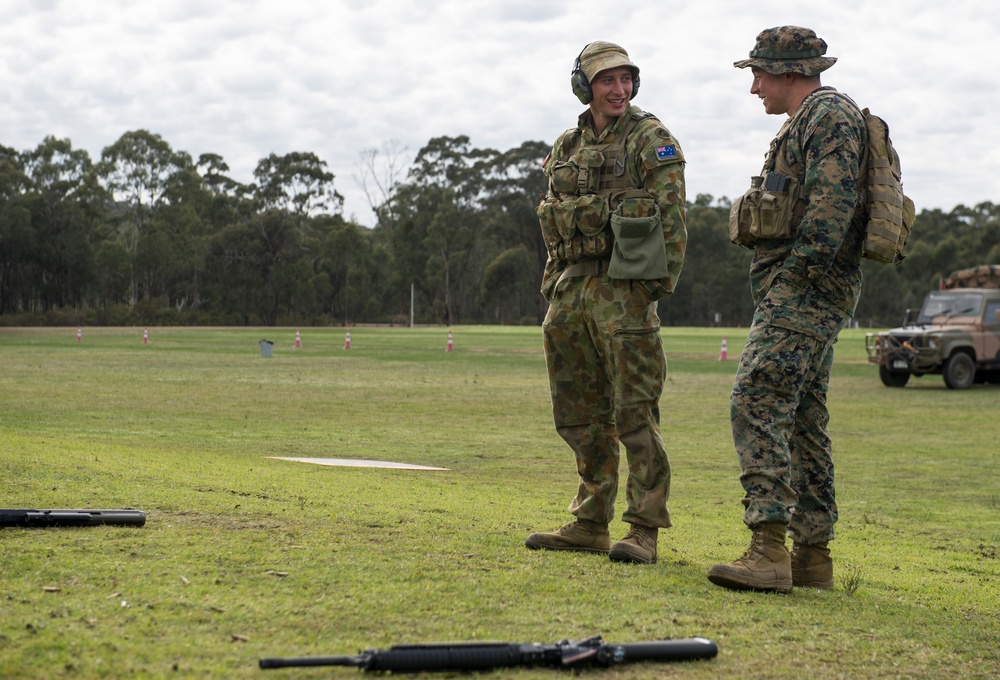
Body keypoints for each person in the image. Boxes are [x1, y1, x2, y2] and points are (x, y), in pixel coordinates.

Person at [708, 26, 868, 593]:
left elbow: (830, 215)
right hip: (807, 289)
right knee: (802, 416)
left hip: (806, 291)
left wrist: (789, 288)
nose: (754, 86)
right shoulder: (809, 122)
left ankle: (769, 547)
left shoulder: (828, 116)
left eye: (759, 73)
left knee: (755, 397)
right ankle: (812, 559)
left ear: (791, 73)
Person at [525, 41, 687, 565]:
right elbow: (554, 219)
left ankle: (643, 528)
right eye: (606, 81)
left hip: (624, 294)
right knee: (579, 412)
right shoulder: (567, 144)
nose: (618, 90)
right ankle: (590, 520)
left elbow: (672, 222)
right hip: (571, 291)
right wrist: (555, 289)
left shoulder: (650, 138)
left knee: (634, 414)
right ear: (585, 86)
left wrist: (648, 294)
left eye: (626, 79)